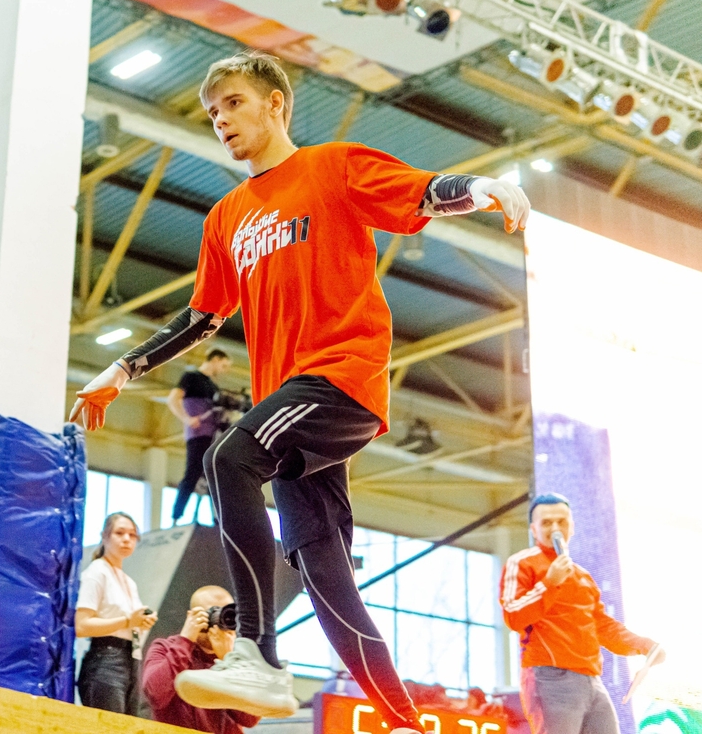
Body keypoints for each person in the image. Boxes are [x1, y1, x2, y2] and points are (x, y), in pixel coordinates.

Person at [69, 50, 530, 731]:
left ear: (275, 103)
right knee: (323, 572)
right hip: (285, 400)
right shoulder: (227, 217)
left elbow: (421, 191)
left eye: (233, 103)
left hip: (342, 375)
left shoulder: (331, 167)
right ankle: (403, 720)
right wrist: (122, 369)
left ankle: (257, 653)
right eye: (213, 112)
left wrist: (481, 187)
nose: (221, 120)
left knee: (229, 457)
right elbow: (203, 317)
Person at [500, 493, 665, 734]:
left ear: (572, 526)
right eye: (546, 523)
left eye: (561, 521)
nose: (555, 528)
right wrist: (549, 583)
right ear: (533, 529)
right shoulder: (522, 563)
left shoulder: (582, 576)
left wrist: (644, 645)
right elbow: (513, 615)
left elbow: (601, 626)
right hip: (550, 675)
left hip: (591, 679)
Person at [142, 585, 261, 733]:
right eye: (212, 613)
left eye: (226, 614)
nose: (219, 620)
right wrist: (185, 640)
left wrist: (228, 660)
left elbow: (251, 718)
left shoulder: (239, 655)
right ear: (191, 616)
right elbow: (155, 695)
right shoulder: (165, 648)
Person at [75, 511, 158, 715]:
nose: (127, 539)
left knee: (128, 726)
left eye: (132, 535)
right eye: (119, 533)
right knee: (108, 726)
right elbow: (81, 626)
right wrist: (127, 621)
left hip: (132, 659)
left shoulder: (129, 581)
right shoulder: (96, 572)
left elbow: (129, 624)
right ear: (104, 536)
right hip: (105, 659)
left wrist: (141, 622)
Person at [167, 348, 233, 526]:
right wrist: (187, 419)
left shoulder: (213, 387)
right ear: (215, 359)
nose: (224, 370)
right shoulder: (191, 377)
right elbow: (173, 399)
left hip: (213, 435)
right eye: (224, 365)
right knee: (192, 473)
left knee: (213, 475)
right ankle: (176, 517)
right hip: (198, 434)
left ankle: (217, 520)